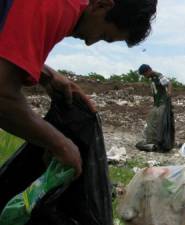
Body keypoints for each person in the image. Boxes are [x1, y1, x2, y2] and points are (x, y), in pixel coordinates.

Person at [0, 0, 158, 177]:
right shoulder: (58, 6)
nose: (90, 42)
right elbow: (3, 96)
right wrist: (59, 144)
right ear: (101, 5)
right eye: (104, 36)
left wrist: (46, 74)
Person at [136, 64, 175, 152]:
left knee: (161, 123)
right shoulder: (151, 78)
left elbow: (169, 83)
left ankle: (163, 143)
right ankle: (152, 142)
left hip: (163, 103)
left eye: (144, 74)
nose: (144, 76)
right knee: (152, 121)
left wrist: (169, 93)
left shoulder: (159, 75)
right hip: (157, 104)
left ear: (149, 70)